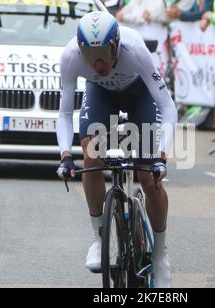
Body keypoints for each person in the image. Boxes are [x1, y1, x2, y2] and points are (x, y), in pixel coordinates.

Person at [56, 11, 178, 288]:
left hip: (140, 95)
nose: (98, 63)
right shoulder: (70, 56)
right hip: (101, 94)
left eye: (104, 53)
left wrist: (161, 156)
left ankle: (159, 254)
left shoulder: (134, 49)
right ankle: (99, 240)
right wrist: (65, 155)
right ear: (81, 49)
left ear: (116, 45)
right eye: (91, 55)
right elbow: (64, 114)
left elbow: (168, 106)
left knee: (149, 177)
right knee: (91, 157)